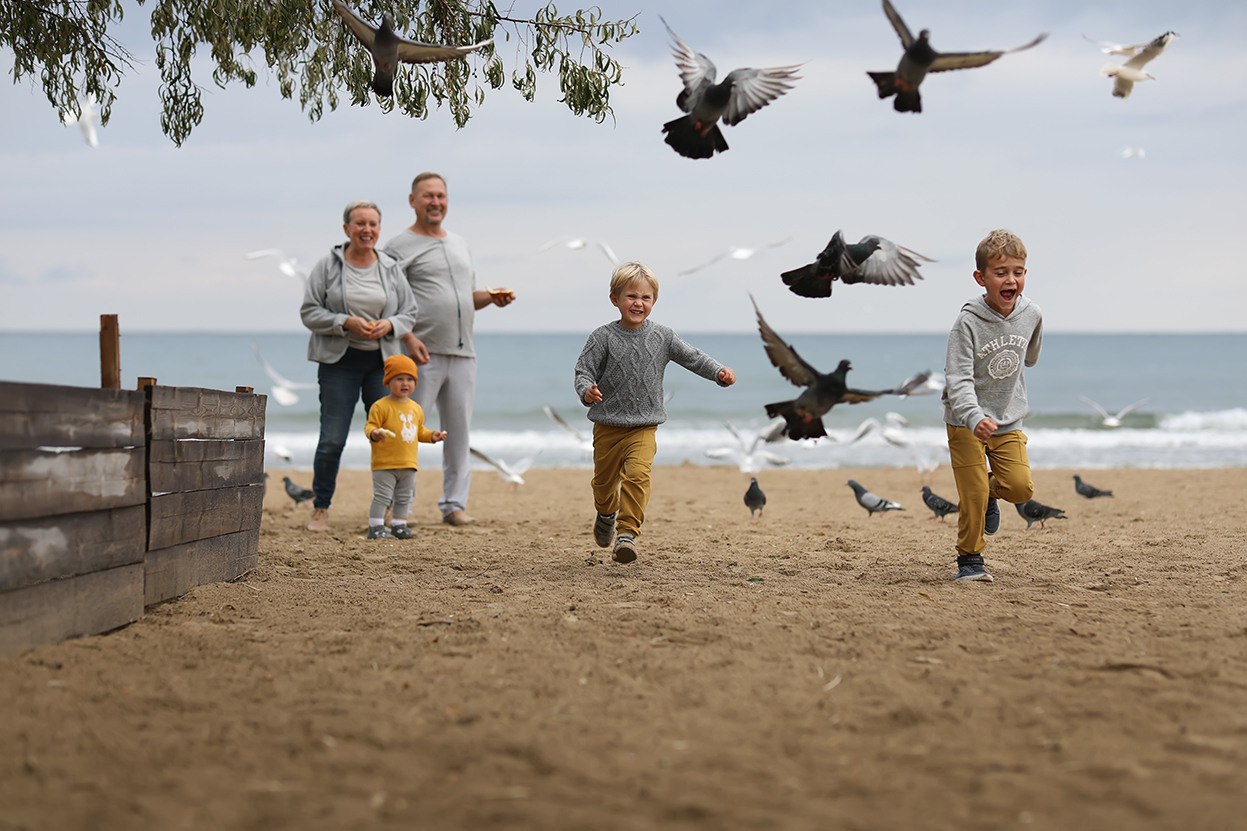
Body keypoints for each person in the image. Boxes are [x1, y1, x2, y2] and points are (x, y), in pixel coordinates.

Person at [574, 261, 737, 564]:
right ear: (615, 299)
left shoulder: (663, 336)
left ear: (654, 301)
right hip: (607, 426)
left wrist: (718, 372)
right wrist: (586, 391)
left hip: (644, 426)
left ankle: (626, 533)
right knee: (604, 486)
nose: (638, 303)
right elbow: (583, 371)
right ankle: (606, 513)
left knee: (638, 476)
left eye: (645, 298)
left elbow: (693, 358)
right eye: (631, 296)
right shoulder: (602, 337)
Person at [383, 172, 515, 527]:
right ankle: (397, 507)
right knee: (406, 431)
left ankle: (454, 505)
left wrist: (492, 297)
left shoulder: (459, 243)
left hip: (463, 353)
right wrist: (408, 338)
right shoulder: (397, 246)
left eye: (440, 195)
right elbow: (387, 300)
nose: (435, 202)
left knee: (459, 434)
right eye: (427, 196)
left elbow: (467, 298)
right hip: (420, 354)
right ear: (413, 200)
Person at [301, 200, 418, 533]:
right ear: (346, 229)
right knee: (332, 440)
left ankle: (395, 510)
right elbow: (309, 312)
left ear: (379, 229)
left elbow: (410, 312)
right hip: (339, 363)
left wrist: (390, 325)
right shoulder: (327, 267)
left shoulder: (391, 268)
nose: (367, 230)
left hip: (383, 366)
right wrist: (345, 321)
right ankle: (321, 507)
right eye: (360, 224)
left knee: (391, 438)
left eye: (373, 224)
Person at [941, 229, 1044, 581]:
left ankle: (990, 494)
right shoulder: (967, 323)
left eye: (1018, 271)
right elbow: (957, 379)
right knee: (971, 493)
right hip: (964, 420)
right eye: (1000, 273)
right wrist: (973, 417)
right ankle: (970, 560)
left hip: (1008, 419)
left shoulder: (1032, 315)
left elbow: (1028, 357)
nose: (1010, 279)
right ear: (981, 278)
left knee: (1020, 487)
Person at [364, 354, 446, 539]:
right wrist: (374, 434)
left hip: (408, 463)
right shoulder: (380, 406)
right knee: (383, 497)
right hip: (384, 463)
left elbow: (419, 432)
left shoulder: (415, 408)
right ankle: (375, 527)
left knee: (404, 497)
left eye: (410, 379)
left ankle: (399, 525)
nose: (405, 383)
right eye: (399, 379)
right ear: (387, 382)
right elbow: (370, 426)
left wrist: (432, 436)